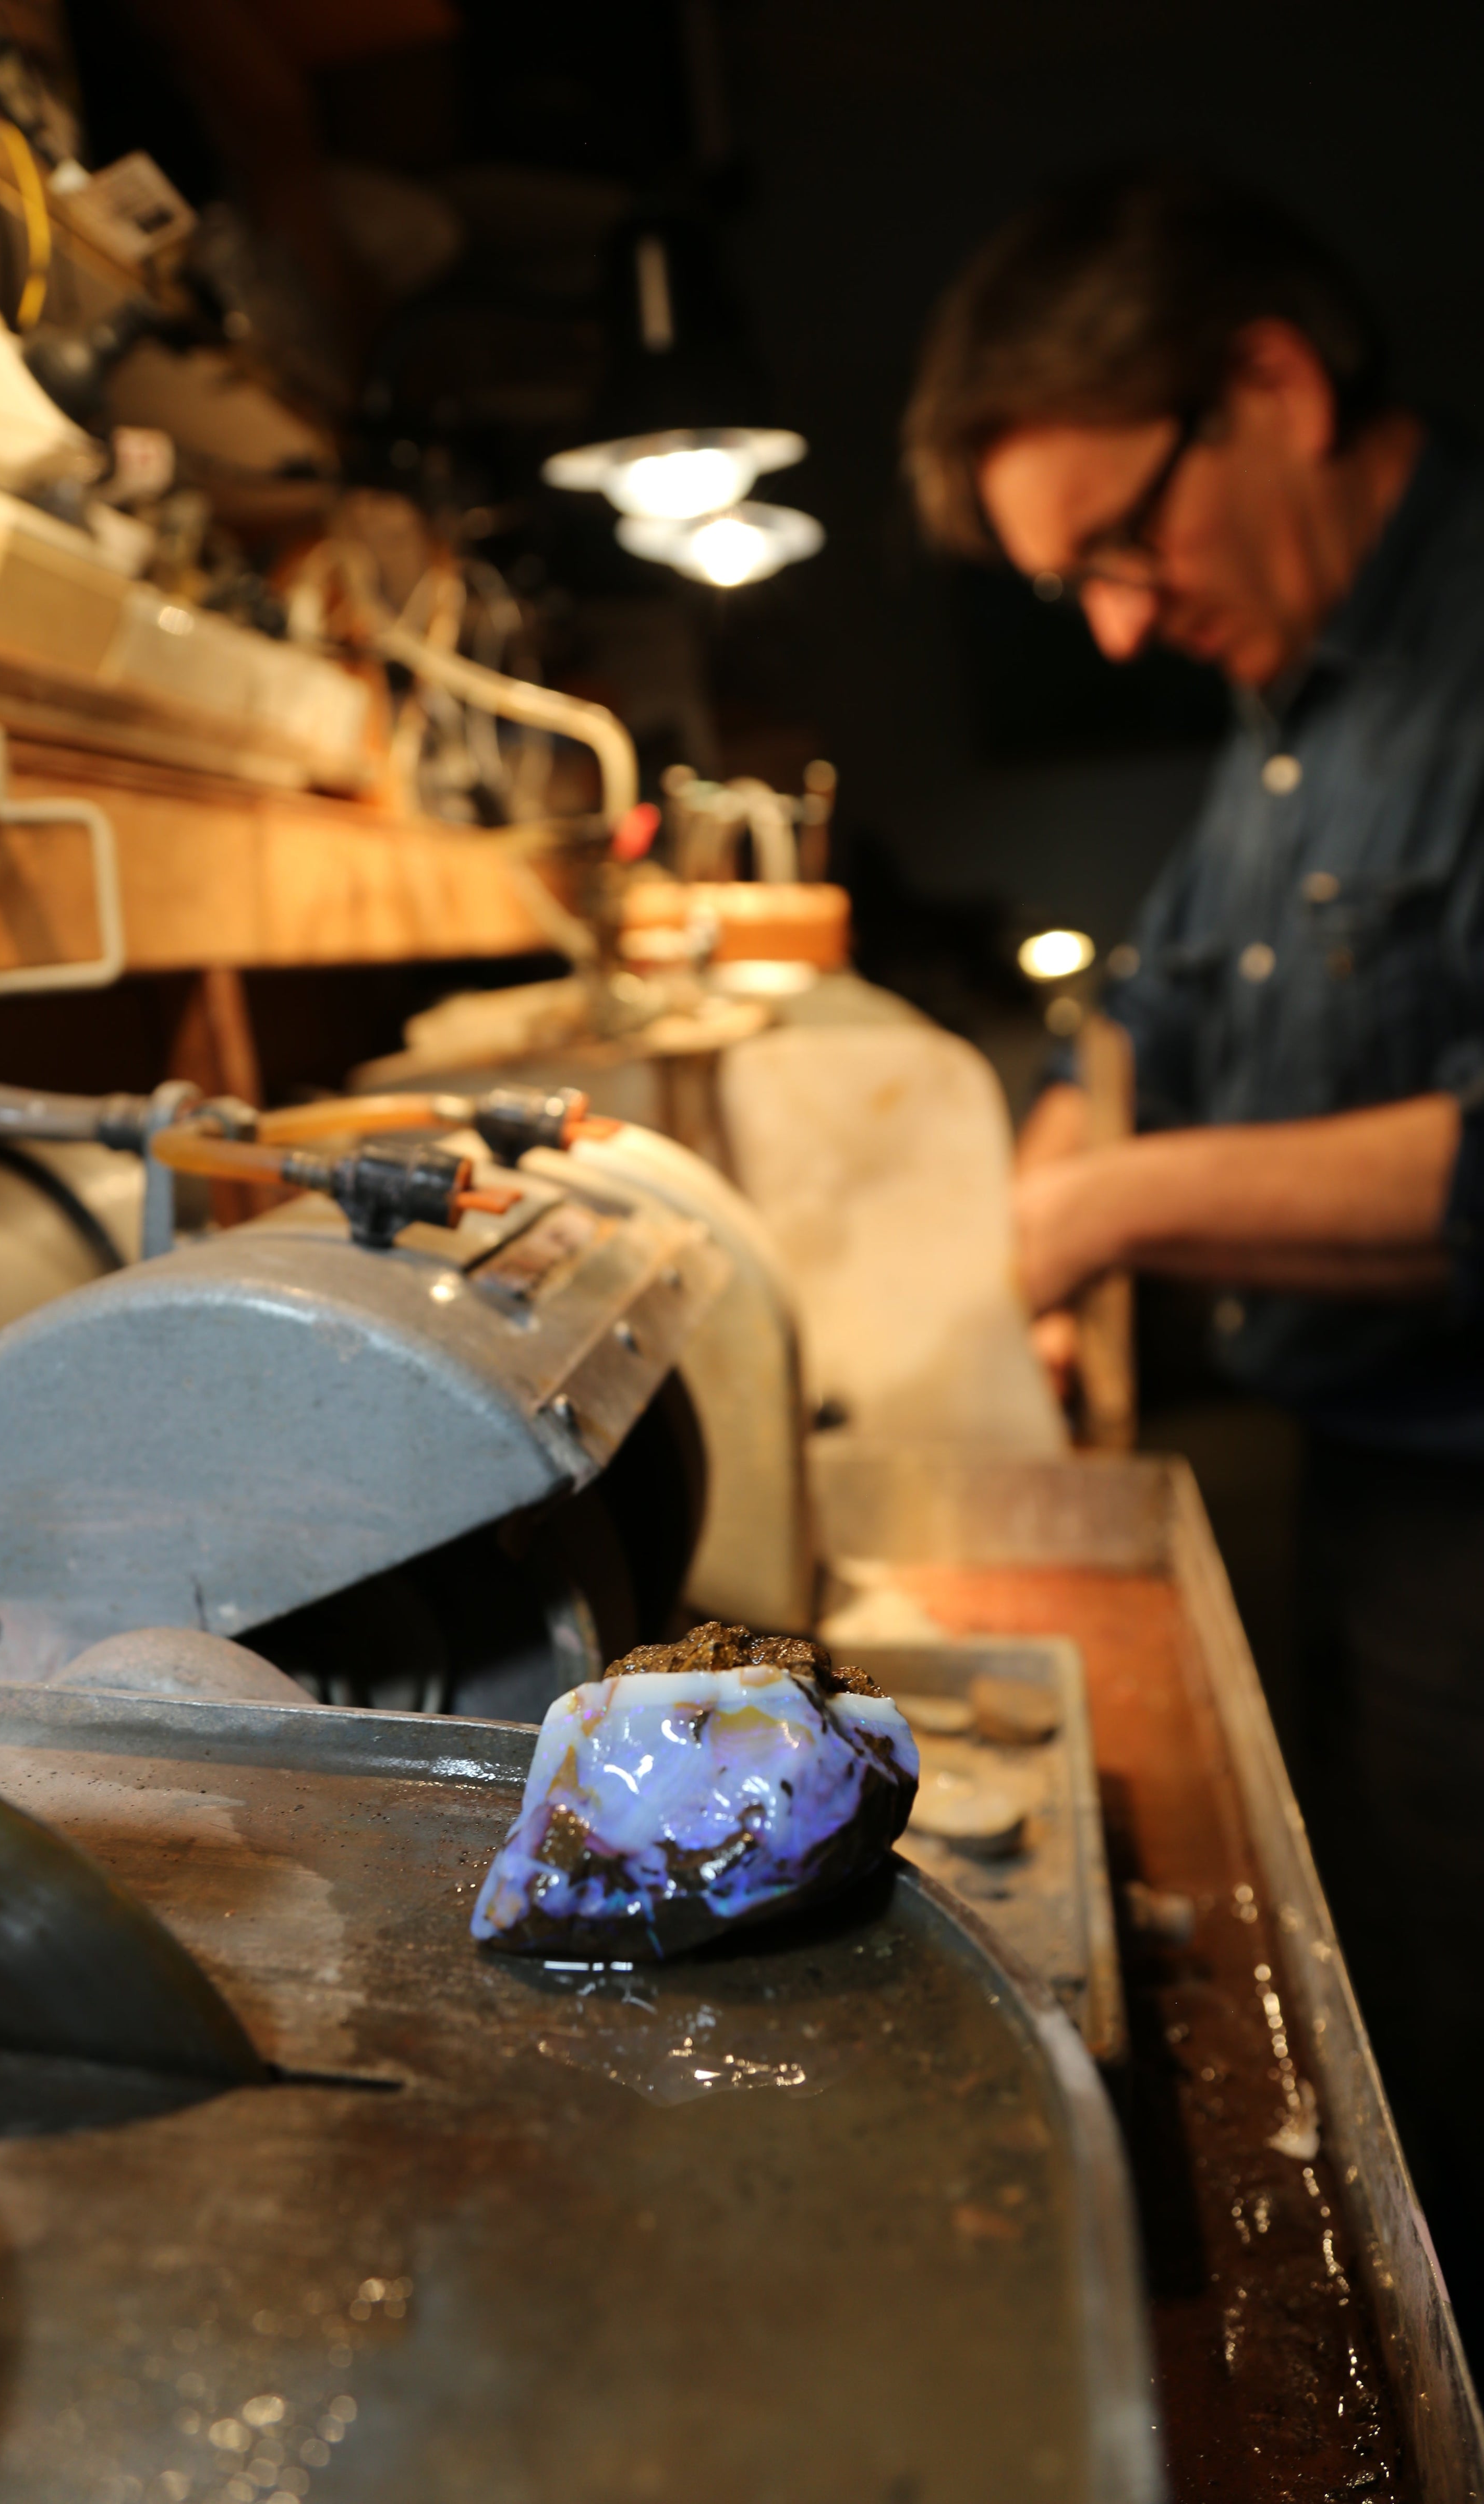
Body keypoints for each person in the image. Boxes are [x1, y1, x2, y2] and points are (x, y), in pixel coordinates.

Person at [905, 165, 1484, 2348]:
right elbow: (1140, 1002)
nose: (1117, 628)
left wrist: (1108, 1210)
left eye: (1119, 547)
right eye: (1073, 588)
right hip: (1357, 1488)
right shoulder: (1289, 708)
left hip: (1465, 1497)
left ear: (1266, 386)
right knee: (1385, 2007)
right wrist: (1084, 1119)